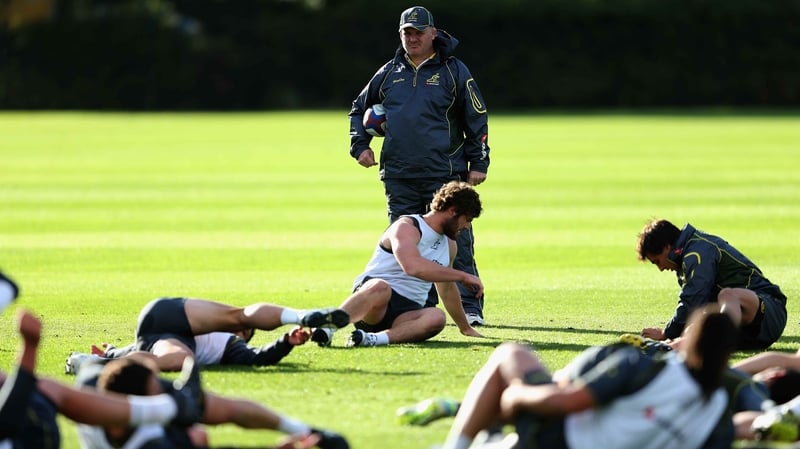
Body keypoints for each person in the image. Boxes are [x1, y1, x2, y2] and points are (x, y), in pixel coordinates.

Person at [347, 5, 491, 326]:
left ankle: (470, 308)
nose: (412, 38)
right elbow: (359, 110)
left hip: (444, 173)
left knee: (457, 241)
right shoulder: (388, 73)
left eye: (418, 32)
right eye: (406, 33)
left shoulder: (454, 71)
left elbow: (476, 117)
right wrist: (360, 145)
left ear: (433, 33)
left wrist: (479, 161)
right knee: (405, 247)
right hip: (398, 174)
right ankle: (419, 307)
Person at [439, 304, 739, 449]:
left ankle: (459, 446)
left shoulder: (647, 366)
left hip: (561, 440)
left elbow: (565, 403)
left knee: (510, 354)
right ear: (728, 354)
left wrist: (517, 395)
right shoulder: (720, 412)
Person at [1, 308, 205, 449]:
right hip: (28, 434)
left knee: (50, 388)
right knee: (49, 389)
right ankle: (174, 406)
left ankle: (175, 406)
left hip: (26, 429)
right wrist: (30, 347)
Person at [311, 181, 484, 347]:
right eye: (467, 219)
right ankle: (328, 328)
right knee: (380, 286)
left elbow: (446, 289)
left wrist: (465, 328)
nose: (467, 226)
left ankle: (370, 339)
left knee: (436, 317)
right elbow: (412, 267)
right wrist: (463, 276)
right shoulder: (407, 226)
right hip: (374, 304)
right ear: (453, 211)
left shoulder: (450, 244)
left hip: (406, 315)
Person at [73, 355, 349, 449]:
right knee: (197, 439)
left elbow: (230, 411)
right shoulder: (152, 442)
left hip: (116, 377)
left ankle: (304, 429)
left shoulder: (94, 387)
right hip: (152, 419)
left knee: (221, 409)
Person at [69, 297, 350, 372]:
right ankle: (300, 315)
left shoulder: (232, 347)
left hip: (160, 328)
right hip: (168, 317)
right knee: (238, 314)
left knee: (179, 359)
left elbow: (258, 358)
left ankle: (97, 364)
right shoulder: (225, 332)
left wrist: (111, 352)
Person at [636, 218, 787, 350]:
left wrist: (667, 333)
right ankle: (673, 346)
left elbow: (692, 300)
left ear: (667, 247)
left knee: (727, 295)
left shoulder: (697, 252)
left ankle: (719, 346)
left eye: (657, 261)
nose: (661, 268)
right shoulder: (684, 259)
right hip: (746, 331)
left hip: (771, 312)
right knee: (699, 321)